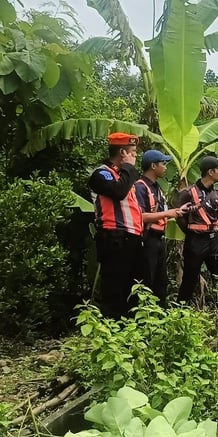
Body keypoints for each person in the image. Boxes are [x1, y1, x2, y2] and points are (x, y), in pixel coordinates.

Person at [88, 132, 143, 319]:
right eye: (133, 153)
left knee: (131, 289)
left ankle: (127, 332)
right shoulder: (101, 174)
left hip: (131, 238)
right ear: (122, 152)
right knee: (114, 288)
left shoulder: (126, 178)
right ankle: (110, 330)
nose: (135, 157)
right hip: (114, 237)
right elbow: (117, 192)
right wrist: (128, 167)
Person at [134, 149, 191, 307]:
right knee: (147, 280)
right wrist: (168, 213)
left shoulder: (156, 187)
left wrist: (178, 212)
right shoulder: (140, 187)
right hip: (147, 239)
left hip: (159, 239)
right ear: (153, 166)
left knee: (161, 282)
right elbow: (141, 216)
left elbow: (161, 212)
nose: (166, 167)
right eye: (163, 164)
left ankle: (160, 316)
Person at [176, 155, 218, 303]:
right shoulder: (188, 193)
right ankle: (181, 311)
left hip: (215, 240)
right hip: (195, 241)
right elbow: (179, 216)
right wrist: (191, 232)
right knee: (189, 279)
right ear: (210, 172)